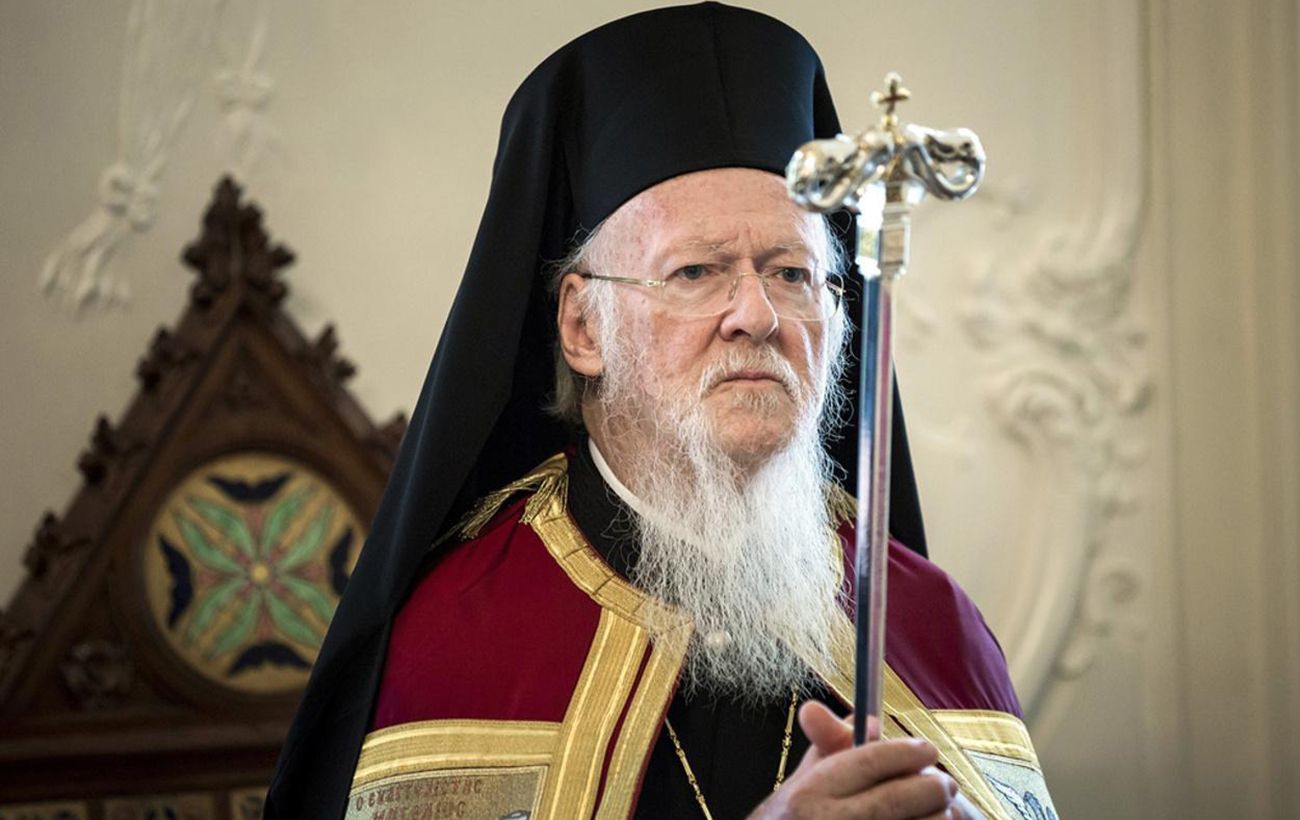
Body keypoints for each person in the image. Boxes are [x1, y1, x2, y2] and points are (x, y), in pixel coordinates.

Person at [266, 4, 1056, 819]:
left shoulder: (930, 620)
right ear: (583, 327)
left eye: (791, 273)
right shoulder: (459, 639)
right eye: (696, 273)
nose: (758, 315)